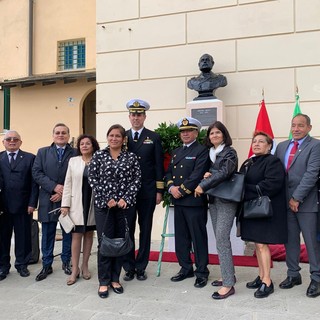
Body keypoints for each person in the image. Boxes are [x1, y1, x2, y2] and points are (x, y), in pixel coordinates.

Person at [88, 124, 141, 298]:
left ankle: (115, 279)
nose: (114, 138)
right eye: (111, 135)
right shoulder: (98, 156)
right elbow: (93, 179)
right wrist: (106, 199)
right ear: (107, 137)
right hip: (105, 207)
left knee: (120, 243)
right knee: (105, 243)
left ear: (123, 139)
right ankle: (103, 282)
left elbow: (136, 179)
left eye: (118, 136)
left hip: (125, 206)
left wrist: (125, 198)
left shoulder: (131, 157)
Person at [275, 114, 320, 298]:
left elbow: (311, 174)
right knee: (290, 240)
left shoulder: (316, 146)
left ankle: (316, 278)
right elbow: (276, 172)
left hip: (306, 203)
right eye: (293, 125)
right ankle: (293, 274)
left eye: (300, 125)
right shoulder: (282, 146)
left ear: (309, 127)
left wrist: (296, 198)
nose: (296, 129)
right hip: (284, 203)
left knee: (311, 242)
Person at [239, 131, 287, 298]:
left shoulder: (273, 161)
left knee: (261, 245)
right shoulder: (249, 162)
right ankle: (261, 277)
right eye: (254, 141)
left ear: (269, 146)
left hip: (264, 211)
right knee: (257, 246)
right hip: (251, 210)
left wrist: (245, 190)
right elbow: (239, 181)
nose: (257, 144)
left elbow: (271, 185)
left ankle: (267, 281)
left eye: (261, 142)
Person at [194, 121, 238, 299]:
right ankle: (228, 274)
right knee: (220, 240)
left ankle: (229, 285)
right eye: (211, 133)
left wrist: (204, 183)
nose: (214, 136)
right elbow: (213, 171)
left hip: (226, 199)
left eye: (217, 133)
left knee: (222, 238)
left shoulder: (229, 152)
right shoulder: (210, 152)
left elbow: (225, 172)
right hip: (213, 199)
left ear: (224, 134)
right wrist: (208, 173)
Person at [165, 117, 210, 288]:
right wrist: (171, 188)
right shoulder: (176, 152)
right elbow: (168, 172)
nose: (185, 133)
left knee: (198, 238)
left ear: (196, 133)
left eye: (189, 131)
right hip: (179, 202)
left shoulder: (201, 150)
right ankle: (185, 268)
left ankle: (202, 272)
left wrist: (181, 190)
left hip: (194, 201)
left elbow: (197, 175)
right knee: (181, 237)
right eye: (183, 131)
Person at [123, 99, 164, 281]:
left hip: (147, 191)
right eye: (133, 114)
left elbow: (158, 165)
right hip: (127, 193)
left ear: (145, 116)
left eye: (139, 114)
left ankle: (141, 266)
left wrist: (159, 190)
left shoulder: (153, 137)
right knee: (128, 229)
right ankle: (128, 266)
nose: (136, 118)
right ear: (129, 117)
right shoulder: (122, 136)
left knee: (145, 229)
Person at [32, 123, 77, 281]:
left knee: (68, 232)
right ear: (53, 135)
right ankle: (47, 264)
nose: (60, 135)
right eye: (57, 133)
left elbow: (77, 175)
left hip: (68, 199)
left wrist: (63, 191)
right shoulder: (43, 152)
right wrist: (54, 187)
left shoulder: (76, 153)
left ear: (68, 135)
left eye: (64, 133)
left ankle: (66, 262)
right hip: (48, 198)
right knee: (47, 233)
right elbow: (36, 173)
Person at [60, 134, 100, 285]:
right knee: (76, 236)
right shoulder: (73, 161)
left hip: (92, 202)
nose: (84, 146)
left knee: (89, 234)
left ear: (93, 146)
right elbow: (67, 183)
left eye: (87, 143)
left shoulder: (99, 160)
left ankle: (85, 266)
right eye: (81, 144)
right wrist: (65, 204)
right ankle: (75, 268)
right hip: (76, 202)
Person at [0, 131, 39, 281]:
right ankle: (3, 266)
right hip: (3, 207)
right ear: (3, 142)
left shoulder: (29, 158)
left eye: (15, 139)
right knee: (2, 238)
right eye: (8, 139)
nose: (12, 141)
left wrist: (32, 203)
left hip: (23, 206)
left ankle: (22, 265)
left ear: (20, 142)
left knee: (23, 237)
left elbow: (34, 184)